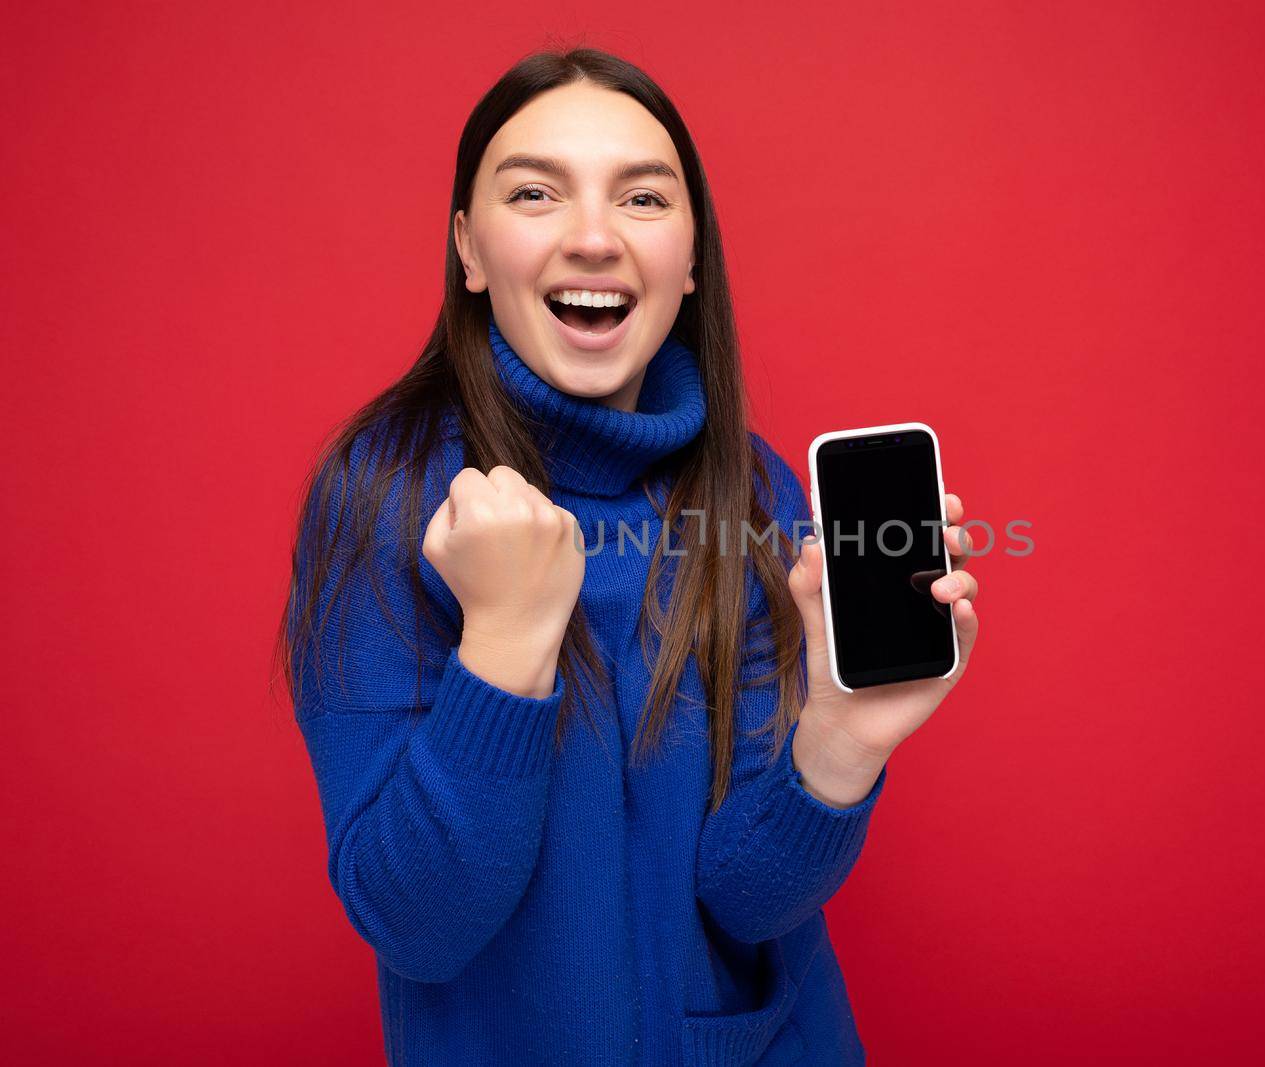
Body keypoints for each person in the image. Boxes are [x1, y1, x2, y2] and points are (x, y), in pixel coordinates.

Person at [276, 47, 980, 1066]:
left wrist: (840, 738)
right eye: (535, 193)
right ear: (469, 250)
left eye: (643, 199)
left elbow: (745, 901)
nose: (595, 238)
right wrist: (507, 645)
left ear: (690, 258)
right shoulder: (379, 493)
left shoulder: (754, 492)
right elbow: (417, 923)